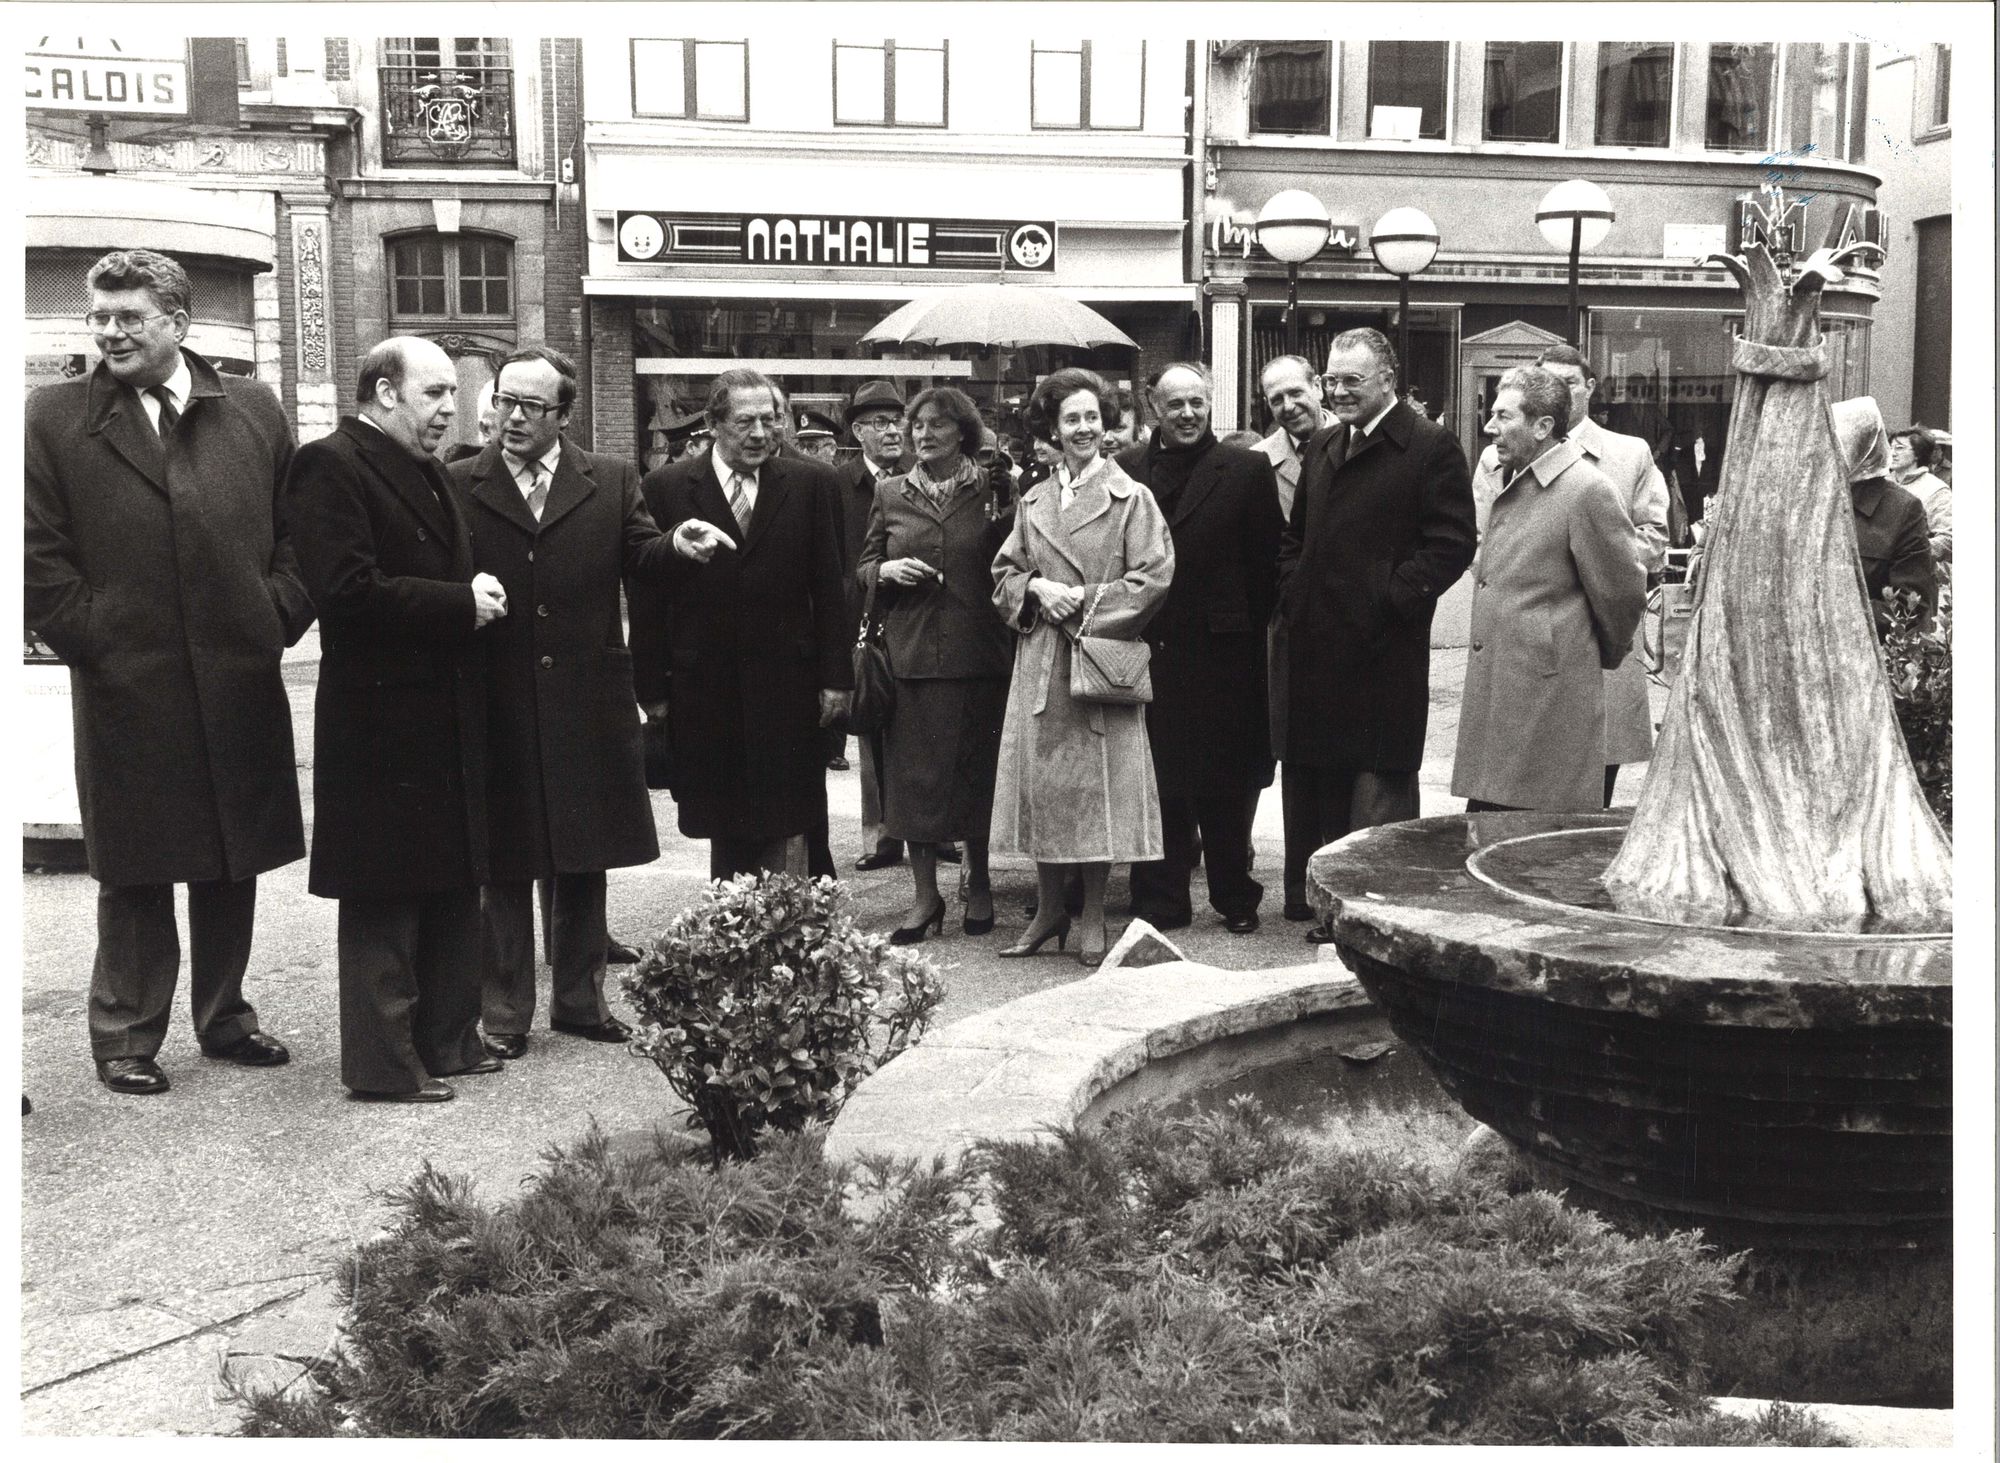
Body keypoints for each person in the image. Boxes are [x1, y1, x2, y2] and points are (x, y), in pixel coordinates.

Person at [24, 248, 313, 1096]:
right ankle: (125, 1035)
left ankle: (225, 1017)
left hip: (236, 671)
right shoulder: (53, 416)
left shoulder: (253, 409)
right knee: (136, 866)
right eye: (99, 315)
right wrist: (96, 639)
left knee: (232, 857)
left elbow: (298, 533)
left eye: (129, 317)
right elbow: (37, 555)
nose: (108, 332)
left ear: (178, 325)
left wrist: (276, 616)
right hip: (129, 681)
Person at [289, 336, 510, 1102]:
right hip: (380, 723)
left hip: (438, 712)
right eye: (435, 394)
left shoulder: (424, 468)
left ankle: (449, 1038)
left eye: (453, 395)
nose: (452, 409)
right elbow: (345, 590)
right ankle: (384, 1065)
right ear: (384, 393)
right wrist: (460, 602)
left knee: (451, 879)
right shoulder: (331, 464)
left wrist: (467, 583)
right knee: (386, 895)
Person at [449, 346, 677, 1062]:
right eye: (504, 401)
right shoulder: (458, 483)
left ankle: (581, 1001)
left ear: (564, 415)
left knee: (583, 852)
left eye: (531, 407)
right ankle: (503, 1012)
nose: (512, 417)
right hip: (498, 694)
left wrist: (678, 546)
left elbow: (641, 555)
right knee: (507, 858)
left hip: (585, 691)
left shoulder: (609, 480)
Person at [1278, 328, 1476, 943]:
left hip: (1381, 652)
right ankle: (1329, 909)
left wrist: (1390, 600)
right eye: (1331, 380)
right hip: (1316, 647)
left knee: (1377, 791)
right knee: (1323, 784)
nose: (1336, 392)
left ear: (1388, 380)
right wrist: (1295, 590)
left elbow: (1451, 544)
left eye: (1350, 382)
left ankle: (1373, 914)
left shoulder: (1430, 446)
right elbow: (1296, 537)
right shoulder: (1324, 444)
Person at [636, 367, 852, 877]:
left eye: (770, 419)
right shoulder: (664, 487)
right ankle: (733, 936)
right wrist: (652, 690)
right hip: (704, 687)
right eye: (745, 421)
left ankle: (795, 933)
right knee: (722, 817)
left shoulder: (813, 483)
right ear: (713, 423)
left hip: (788, 685)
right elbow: (646, 595)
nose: (760, 433)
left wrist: (836, 679)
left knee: (791, 812)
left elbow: (830, 588)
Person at [991, 367, 1175, 967]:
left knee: (1096, 790)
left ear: (1108, 423)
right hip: (1042, 662)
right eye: (1071, 418)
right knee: (1047, 788)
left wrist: (1086, 604)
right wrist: (1038, 588)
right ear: (1052, 427)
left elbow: (1153, 579)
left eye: (1093, 416)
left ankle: (1093, 912)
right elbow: (1003, 575)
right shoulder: (1034, 499)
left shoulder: (1133, 499)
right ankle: (1049, 911)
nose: (1083, 428)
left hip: (1096, 663)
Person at [1117, 364, 1283, 935]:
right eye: (1176, 404)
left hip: (1222, 652)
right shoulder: (1127, 469)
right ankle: (1161, 900)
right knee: (1156, 778)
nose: (1189, 414)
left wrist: (1237, 623)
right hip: (1151, 645)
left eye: (1198, 403)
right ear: (1152, 407)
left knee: (1225, 780)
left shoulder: (1245, 466)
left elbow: (1268, 562)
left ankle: (1234, 895)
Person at [1473, 344, 1669, 809]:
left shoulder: (1615, 462)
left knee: (1569, 801)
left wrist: (1583, 626)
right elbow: (1484, 542)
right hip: (1509, 656)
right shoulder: (1495, 462)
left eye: (1505, 415)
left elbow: (1626, 580)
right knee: (1502, 803)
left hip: (1581, 655)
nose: (1491, 427)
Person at [855, 386, 1015, 942]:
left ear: (963, 434)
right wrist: (885, 574)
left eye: (936, 426)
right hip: (913, 655)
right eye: (916, 425)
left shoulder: (994, 489)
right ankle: (925, 899)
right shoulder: (890, 491)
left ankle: (980, 885)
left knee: (975, 776)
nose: (921, 435)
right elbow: (863, 564)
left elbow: (1015, 560)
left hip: (981, 656)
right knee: (913, 784)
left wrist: (1005, 500)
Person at [1255, 354, 1329, 921]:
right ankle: (1299, 891)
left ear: (1317, 387)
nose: (1288, 406)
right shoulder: (1258, 464)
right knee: (1297, 754)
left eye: (1295, 393)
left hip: (1349, 625)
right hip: (1287, 627)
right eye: (1275, 399)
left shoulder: (1353, 444)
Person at [840, 381, 912, 870]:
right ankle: (881, 837)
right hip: (862, 620)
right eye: (880, 423)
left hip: (914, 620)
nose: (893, 431)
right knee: (872, 730)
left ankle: (932, 829)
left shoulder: (917, 478)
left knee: (921, 729)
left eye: (897, 421)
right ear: (858, 430)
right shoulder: (836, 484)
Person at [1833, 398, 1936, 638]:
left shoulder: (1902, 509)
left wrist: (1831, 613)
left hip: (1859, 649)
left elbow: (1908, 605)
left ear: (1861, 447)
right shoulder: (1813, 495)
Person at [1888, 424, 1952, 566]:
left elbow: (1948, 538)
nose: (1892, 453)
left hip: (1914, 573)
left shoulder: (1936, 489)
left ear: (1918, 454)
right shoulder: (1880, 484)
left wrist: (1911, 554)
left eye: (1899, 448)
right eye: (1890, 448)